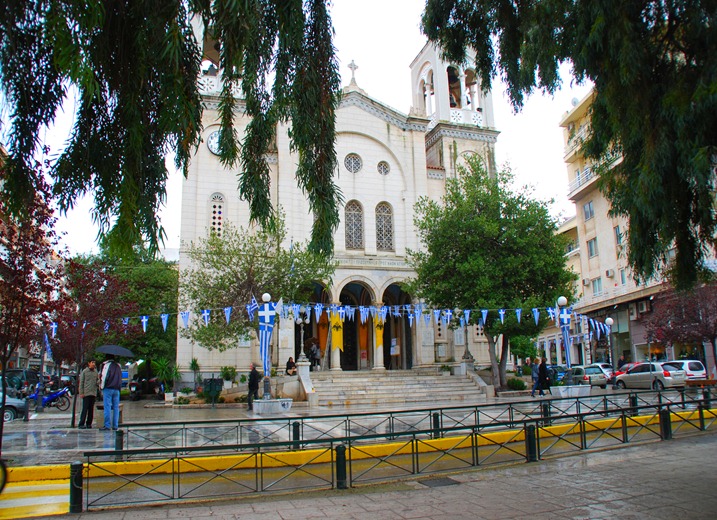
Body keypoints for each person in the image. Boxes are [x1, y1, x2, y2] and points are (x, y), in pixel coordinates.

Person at [99, 354, 122, 431]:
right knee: (116, 407)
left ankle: (107, 425)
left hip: (108, 388)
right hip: (117, 389)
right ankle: (115, 425)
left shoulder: (106, 365)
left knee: (107, 406)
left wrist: (101, 387)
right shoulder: (118, 366)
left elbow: (104, 377)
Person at [77, 360, 98, 429]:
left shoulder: (95, 372)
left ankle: (89, 423)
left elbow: (97, 380)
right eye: (92, 362)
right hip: (86, 393)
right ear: (89, 363)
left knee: (91, 409)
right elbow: (81, 382)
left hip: (93, 393)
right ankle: (81, 423)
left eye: (94, 362)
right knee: (85, 409)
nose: (93, 364)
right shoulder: (85, 372)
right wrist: (81, 392)